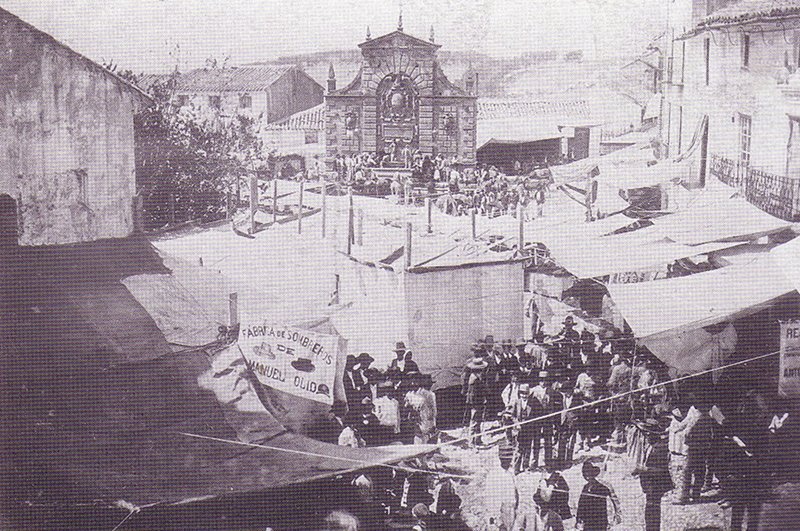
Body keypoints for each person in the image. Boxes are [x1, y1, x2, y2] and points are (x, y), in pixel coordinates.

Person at [633, 418, 673, 531]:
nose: (645, 436)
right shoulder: (650, 446)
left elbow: (662, 470)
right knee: (650, 510)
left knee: (653, 510)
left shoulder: (660, 448)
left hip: (656, 485)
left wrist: (643, 469)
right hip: (650, 485)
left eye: (646, 433)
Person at [576, 462, 621, 531]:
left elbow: (613, 501)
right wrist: (578, 519)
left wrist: (616, 516)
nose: (587, 477)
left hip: (600, 521)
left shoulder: (603, 487)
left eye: (589, 473)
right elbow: (581, 505)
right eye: (585, 474)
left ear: (593, 474)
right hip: (588, 522)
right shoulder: (585, 488)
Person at [485, 444, 518, 530]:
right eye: (505, 457)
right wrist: (498, 521)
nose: (508, 459)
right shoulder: (494, 474)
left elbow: (515, 492)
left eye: (510, 456)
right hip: (500, 514)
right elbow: (490, 499)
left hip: (511, 511)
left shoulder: (511, 472)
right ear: (500, 457)